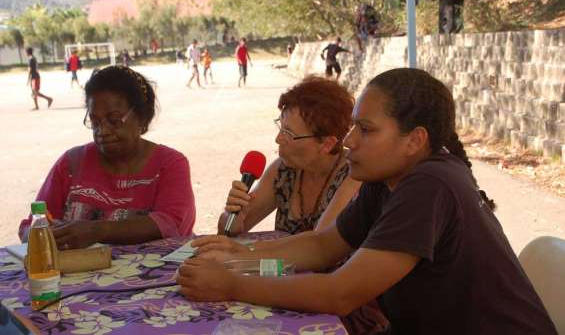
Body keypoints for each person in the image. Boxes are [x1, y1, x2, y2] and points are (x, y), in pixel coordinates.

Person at [178, 68, 558, 335]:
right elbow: (323, 246)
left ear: (414, 140)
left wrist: (230, 284)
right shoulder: (387, 177)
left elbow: (340, 293)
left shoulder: (430, 185)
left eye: (366, 130)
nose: (349, 141)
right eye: (353, 127)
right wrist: (235, 256)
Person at [18, 66, 196, 249]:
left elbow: (172, 222)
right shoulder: (71, 164)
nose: (102, 132)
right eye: (95, 122)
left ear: (142, 117)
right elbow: (32, 224)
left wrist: (99, 231)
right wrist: (41, 233)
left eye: (114, 120)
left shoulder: (169, 164)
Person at [202, 76, 359, 247]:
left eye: (289, 134)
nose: (278, 139)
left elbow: (319, 245)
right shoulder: (283, 171)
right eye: (280, 127)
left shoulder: (354, 173)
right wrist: (233, 216)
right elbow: (227, 232)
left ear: (327, 144)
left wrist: (251, 253)